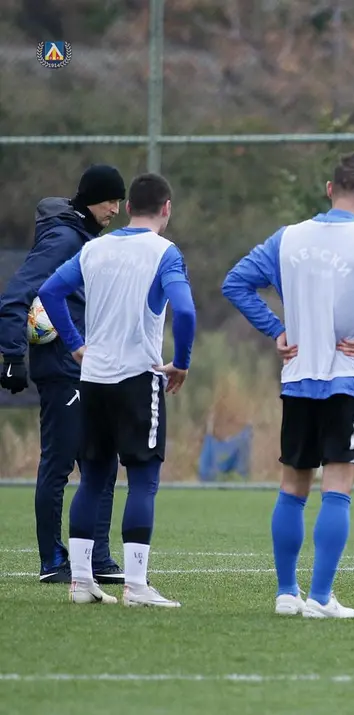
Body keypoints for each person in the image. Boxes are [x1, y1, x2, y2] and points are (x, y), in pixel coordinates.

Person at [222, 153, 354, 618]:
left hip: (297, 377)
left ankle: (286, 593)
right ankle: (320, 596)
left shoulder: (287, 237)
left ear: (329, 189)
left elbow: (236, 283)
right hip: (347, 378)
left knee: (292, 486)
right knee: (337, 487)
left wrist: (276, 329)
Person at [37, 172, 196, 607]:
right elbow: (184, 311)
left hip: (94, 379)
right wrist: (181, 362)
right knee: (142, 480)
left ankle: (81, 582)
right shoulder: (164, 252)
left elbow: (50, 291)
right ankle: (137, 586)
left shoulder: (95, 248)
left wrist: (76, 344)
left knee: (92, 478)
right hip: (138, 377)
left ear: (127, 208)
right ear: (167, 208)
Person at [0, 164, 126, 585]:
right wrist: (12, 354)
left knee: (102, 462)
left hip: (90, 368)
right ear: (90, 200)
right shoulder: (65, 239)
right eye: (110, 200)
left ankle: (98, 558)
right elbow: (15, 295)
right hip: (62, 368)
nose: (115, 209)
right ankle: (53, 560)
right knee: (59, 462)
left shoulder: (86, 238)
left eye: (119, 201)